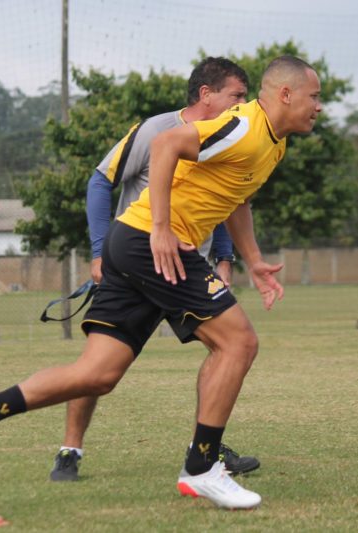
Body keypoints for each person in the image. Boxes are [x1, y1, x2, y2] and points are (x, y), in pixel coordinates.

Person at [0, 55, 322, 509]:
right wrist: (159, 227)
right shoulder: (243, 126)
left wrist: (252, 261)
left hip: (135, 245)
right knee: (238, 343)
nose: (318, 107)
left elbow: (238, 199)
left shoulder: (272, 143)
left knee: (98, 374)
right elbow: (165, 146)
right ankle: (201, 468)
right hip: (152, 244)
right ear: (286, 94)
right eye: (314, 97)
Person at [50, 56, 259, 482]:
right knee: (98, 368)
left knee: (226, 349)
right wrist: (98, 253)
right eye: (237, 96)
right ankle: (70, 450)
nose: (243, 105)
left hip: (185, 267)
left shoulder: (226, 137)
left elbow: (224, 201)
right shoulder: (155, 131)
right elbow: (98, 182)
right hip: (137, 262)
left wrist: (224, 259)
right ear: (206, 95)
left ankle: (205, 451)